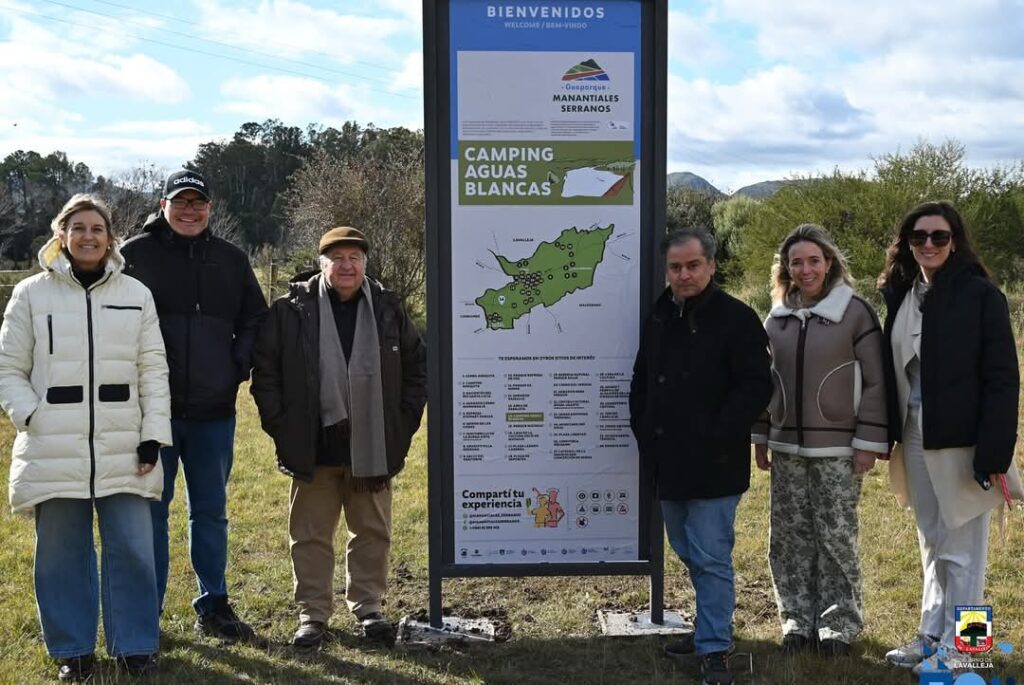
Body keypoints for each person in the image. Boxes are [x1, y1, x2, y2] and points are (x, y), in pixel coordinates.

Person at [0, 194, 172, 681]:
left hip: (125, 443)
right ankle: (73, 650)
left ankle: (135, 645)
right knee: (61, 553)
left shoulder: (136, 294)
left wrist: (152, 435)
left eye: (97, 228)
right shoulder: (30, 295)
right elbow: (9, 368)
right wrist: (32, 416)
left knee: (134, 548)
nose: (89, 236)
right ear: (62, 235)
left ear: (110, 237)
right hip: (53, 444)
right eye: (78, 227)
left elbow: (152, 370)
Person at [250, 226, 427, 650]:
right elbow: (266, 373)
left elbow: (417, 369)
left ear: (365, 263)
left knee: (371, 531)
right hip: (314, 447)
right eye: (338, 258)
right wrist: (283, 425)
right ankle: (312, 615)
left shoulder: (387, 308)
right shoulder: (291, 310)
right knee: (310, 534)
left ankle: (369, 608)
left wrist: (400, 425)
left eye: (355, 258)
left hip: (373, 446)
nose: (347, 266)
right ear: (322, 263)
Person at [120, 169, 267, 641]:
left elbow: (255, 319)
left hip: (213, 411)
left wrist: (235, 365)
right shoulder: (132, 255)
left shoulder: (231, 259)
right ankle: (148, 609)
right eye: (180, 202)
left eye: (197, 203)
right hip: (150, 414)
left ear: (209, 208)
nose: (189, 210)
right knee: (151, 513)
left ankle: (215, 604)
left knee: (211, 511)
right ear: (162, 205)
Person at [878, 201, 1019, 675]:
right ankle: (932, 635)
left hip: (965, 442)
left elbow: (1003, 378)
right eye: (920, 237)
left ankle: (967, 651)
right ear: (908, 243)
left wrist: (995, 451)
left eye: (939, 236)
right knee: (933, 543)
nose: (930, 245)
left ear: (954, 241)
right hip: (916, 435)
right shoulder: (903, 294)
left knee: (963, 553)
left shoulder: (981, 296)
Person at [629, 228, 772, 685]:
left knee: (711, 555)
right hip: (668, 461)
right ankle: (709, 626)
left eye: (693, 265)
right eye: (675, 267)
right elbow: (643, 377)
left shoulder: (737, 318)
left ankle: (714, 648)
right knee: (687, 549)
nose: (684, 274)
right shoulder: (659, 314)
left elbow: (755, 386)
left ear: (711, 265)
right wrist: (645, 429)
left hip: (714, 463)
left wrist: (716, 433)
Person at [751, 224, 888, 657]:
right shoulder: (777, 318)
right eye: (796, 262)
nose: (805, 269)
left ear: (829, 263)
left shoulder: (856, 313)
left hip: (840, 450)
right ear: (786, 268)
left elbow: (876, 383)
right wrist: (760, 435)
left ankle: (838, 627)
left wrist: (868, 440)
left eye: (813, 260)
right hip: (787, 447)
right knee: (789, 537)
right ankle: (796, 620)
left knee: (835, 537)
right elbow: (764, 381)